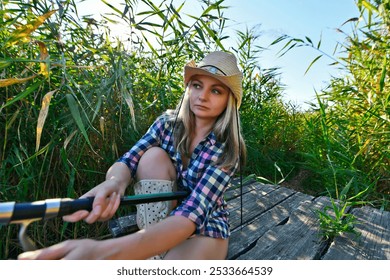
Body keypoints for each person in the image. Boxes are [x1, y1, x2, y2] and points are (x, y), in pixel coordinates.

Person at [18, 51, 246, 260]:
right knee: (152, 156)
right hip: (163, 223)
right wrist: (115, 183)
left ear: (229, 100)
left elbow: (192, 214)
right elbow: (130, 159)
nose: (202, 96)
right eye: (197, 85)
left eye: (216, 90)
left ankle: (150, 248)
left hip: (203, 229)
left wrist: (101, 252)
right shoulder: (167, 123)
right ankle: (152, 248)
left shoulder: (227, 150)